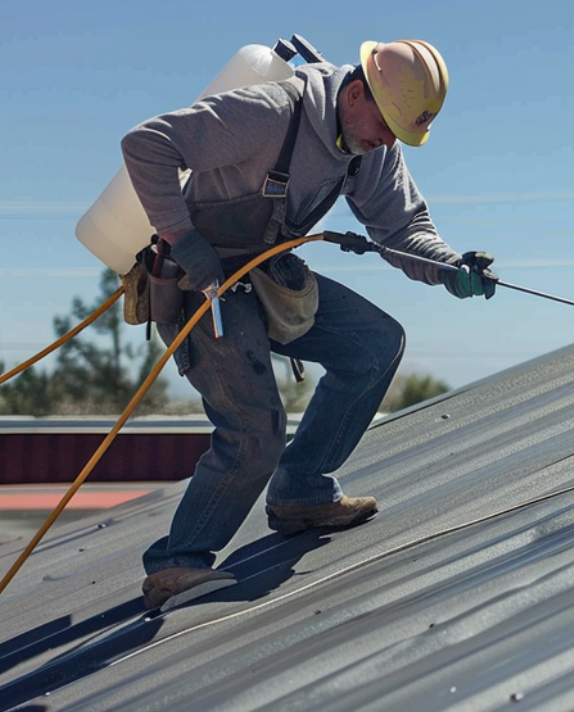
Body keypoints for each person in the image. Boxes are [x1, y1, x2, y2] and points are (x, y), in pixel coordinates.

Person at [120, 39, 494, 610]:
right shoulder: (270, 113)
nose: (390, 141)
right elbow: (147, 144)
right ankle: (178, 562)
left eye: (400, 133)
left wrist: (450, 268)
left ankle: (301, 491)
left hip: (265, 275)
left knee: (375, 343)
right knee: (255, 427)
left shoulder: (371, 147)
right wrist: (180, 234)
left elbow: (400, 230)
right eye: (388, 125)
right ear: (352, 93)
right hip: (202, 282)